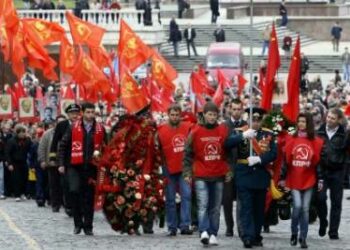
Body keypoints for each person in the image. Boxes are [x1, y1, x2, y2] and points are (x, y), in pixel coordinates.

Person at [225, 107, 277, 248]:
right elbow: (227, 144)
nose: (255, 122)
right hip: (244, 174)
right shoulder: (240, 132)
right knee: (246, 208)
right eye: (253, 119)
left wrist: (260, 159)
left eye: (258, 120)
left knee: (259, 209)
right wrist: (242, 136)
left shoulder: (268, 134)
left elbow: (273, 154)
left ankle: (256, 235)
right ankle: (247, 237)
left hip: (260, 175)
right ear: (247, 119)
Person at [183, 102, 232, 246]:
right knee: (203, 204)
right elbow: (187, 153)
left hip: (218, 174)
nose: (212, 117)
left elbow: (228, 153)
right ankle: (203, 231)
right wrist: (187, 172)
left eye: (214, 115)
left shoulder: (222, 130)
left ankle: (213, 233)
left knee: (215, 207)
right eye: (209, 114)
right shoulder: (195, 131)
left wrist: (229, 170)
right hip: (201, 174)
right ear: (204, 115)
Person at [58, 102, 105, 236]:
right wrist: (61, 163)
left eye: (93, 112)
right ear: (82, 113)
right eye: (88, 112)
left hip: (91, 167)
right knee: (74, 192)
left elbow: (106, 146)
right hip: (74, 166)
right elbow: (63, 145)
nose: (90, 115)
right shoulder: (73, 127)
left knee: (89, 197)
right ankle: (77, 223)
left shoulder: (100, 129)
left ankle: (88, 226)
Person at [279, 113, 324, 249]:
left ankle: (303, 237)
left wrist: (320, 179)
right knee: (297, 206)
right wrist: (282, 178)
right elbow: (285, 161)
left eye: (303, 122)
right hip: (294, 178)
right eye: (299, 121)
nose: (301, 124)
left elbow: (318, 163)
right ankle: (294, 232)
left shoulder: (315, 141)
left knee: (305, 209)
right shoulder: (291, 140)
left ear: (308, 123)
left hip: (309, 179)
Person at [158, 104, 193, 236]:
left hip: (184, 168)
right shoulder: (161, 130)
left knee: (187, 196)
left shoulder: (187, 127)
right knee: (170, 199)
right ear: (168, 115)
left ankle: (185, 225)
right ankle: (172, 227)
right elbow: (157, 148)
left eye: (177, 115)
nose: (174, 117)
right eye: (172, 115)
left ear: (180, 115)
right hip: (168, 167)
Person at [317, 108, 350, 240]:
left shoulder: (345, 134)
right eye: (328, 117)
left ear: (339, 120)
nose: (329, 120)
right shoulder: (319, 132)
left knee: (336, 202)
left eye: (333, 118)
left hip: (338, 171)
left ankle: (333, 231)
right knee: (320, 198)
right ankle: (323, 221)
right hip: (322, 171)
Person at [49, 103, 81, 214]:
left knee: (79, 184)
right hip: (66, 159)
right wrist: (53, 159)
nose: (74, 115)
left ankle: (77, 205)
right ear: (68, 114)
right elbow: (54, 143)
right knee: (67, 184)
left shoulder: (82, 124)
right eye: (72, 113)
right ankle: (68, 205)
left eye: (76, 113)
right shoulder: (61, 125)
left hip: (80, 158)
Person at [223, 99, 247, 237]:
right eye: (234, 109)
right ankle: (229, 226)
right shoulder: (225, 126)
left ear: (242, 110)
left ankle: (241, 226)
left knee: (242, 199)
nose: (237, 111)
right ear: (230, 110)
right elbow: (224, 144)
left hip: (243, 166)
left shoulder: (246, 125)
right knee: (227, 199)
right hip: (228, 166)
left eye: (239, 109)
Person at [38, 116, 66, 212]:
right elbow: (42, 147)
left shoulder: (69, 132)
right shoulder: (48, 134)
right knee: (54, 185)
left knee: (65, 185)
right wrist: (42, 160)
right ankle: (55, 204)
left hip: (65, 163)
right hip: (52, 164)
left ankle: (66, 204)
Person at [5, 125, 32, 202]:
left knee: (24, 178)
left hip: (23, 162)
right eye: (21, 133)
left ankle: (23, 193)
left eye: (24, 133)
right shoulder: (11, 141)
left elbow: (30, 149)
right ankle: (17, 194)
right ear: (17, 133)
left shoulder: (27, 140)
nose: (23, 134)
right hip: (14, 162)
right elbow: (7, 153)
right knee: (16, 179)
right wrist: (9, 163)